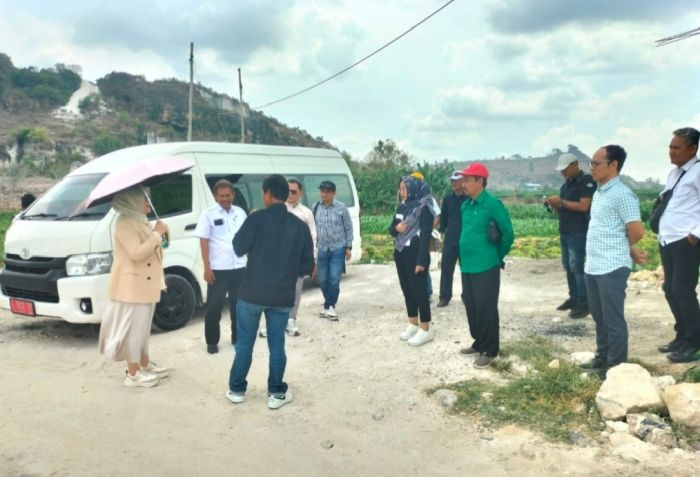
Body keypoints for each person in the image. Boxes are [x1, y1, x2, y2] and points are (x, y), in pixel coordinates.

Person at [226, 174, 314, 409]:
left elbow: (237, 247)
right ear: (286, 195)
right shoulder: (300, 226)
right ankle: (276, 393)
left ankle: (236, 390)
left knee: (245, 344)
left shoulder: (257, 219)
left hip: (251, 293)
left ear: (266, 194)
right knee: (277, 346)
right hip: (282, 296)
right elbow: (307, 267)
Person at [583, 145, 645, 376]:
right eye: (592, 163)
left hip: (612, 266)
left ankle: (616, 367)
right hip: (594, 265)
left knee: (613, 319)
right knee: (599, 316)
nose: (592, 168)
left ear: (613, 165)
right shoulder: (600, 192)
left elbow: (636, 231)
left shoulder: (623, 194)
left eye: (596, 163)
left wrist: (624, 248)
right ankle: (602, 357)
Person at [98, 186, 169, 387]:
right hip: (133, 285)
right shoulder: (125, 222)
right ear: (131, 200)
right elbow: (136, 253)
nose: (149, 202)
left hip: (146, 284)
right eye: (144, 198)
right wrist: (156, 235)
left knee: (144, 329)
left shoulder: (140, 220)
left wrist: (160, 234)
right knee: (134, 330)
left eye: (149, 198)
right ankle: (133, 373)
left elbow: (157, 250)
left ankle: (145, 364)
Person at [458, 163, 514, 369]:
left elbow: (508, 234)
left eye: (467, 180)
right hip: (467, 265)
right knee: (471, 304)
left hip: (486, 265)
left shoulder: (492, 204)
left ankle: (490, 349)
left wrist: (496, 255)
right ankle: (479, 341)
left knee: (486, 306)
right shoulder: (466, 206)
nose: (463, 183)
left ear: (480, 181)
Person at [656, 127, 700, 363]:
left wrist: (696, 234)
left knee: (683, 290)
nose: (671, 151)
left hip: (686, 241)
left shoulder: (698, 171)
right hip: (668, 239)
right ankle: (682, 335)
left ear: (692, 149)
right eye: (670, 146)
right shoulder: (675, 174)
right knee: (670, 289)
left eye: (676, 147)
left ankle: (694, 342)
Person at [194, 180, 247, 354]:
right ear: (216, 196)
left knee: (238, 306)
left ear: (233, 195)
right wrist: (206, 267)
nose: (225, 199)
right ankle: (212, 341)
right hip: (218, 269)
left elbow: (247, 238)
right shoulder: (208, 214)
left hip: (239, 267)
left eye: (228, 195)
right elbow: (203, 240)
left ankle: (237, 338)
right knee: (214, 307)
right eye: (221, 196)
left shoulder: (239, 212)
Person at [259, 178, 317, 338]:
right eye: (288, 191)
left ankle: (291, 319)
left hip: (296, 260)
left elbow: (313, 237)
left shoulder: (306, 213)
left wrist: (313, 261)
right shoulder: (276, 209)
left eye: (294, 191)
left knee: (295, 291)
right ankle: (271, 323)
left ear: (301, 193)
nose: (290, 194)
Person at [545, 153, 596, 319]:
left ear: (575, 165)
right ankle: (574, 297)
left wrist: (561, 202)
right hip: (566, 229)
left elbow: (583, 206)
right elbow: (563, 209)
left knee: (577, 266)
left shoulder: (586, 181)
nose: (563, 173)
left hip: (579, 230)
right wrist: (554, 205)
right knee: (568, 265)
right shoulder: (565, 186)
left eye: (565, 169)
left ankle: (584, 302)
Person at [390, 175, 436, 346]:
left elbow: (425, 236)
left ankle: (426, 328)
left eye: (404, 189)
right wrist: (397, 228)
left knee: (420, 292)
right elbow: (391, 229)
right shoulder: (402, 207)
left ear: (413, 189)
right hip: (401, 252)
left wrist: (422, 261)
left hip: (416, 253)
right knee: (407, 290)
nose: (401, 192)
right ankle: (413, 323)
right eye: (400, 189)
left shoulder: (424, 208)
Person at [314, 180, 353, 320]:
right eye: (322, 191)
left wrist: (348, 247)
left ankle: (330, 306)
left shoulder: (341, 208)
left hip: (338, 247)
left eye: (327, 192)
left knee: (334, 278)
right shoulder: (316, 207)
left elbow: (348, 227)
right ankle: (328, 305)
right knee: (323, 279)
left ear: (334, 193)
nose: (324, 194)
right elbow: (313, 229)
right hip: (322, 248)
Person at [437, 171, 467, 307]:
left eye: (456, 180)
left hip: (465, 239)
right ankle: (444, 297)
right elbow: (443, 219)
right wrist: (441, 233)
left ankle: (467, 296)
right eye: (452, 181)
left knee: (466, 269)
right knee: (446, 269)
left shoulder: (469, 199)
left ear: (463, 182)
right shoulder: (448, 199)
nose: (453, 183)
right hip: (450, 239)